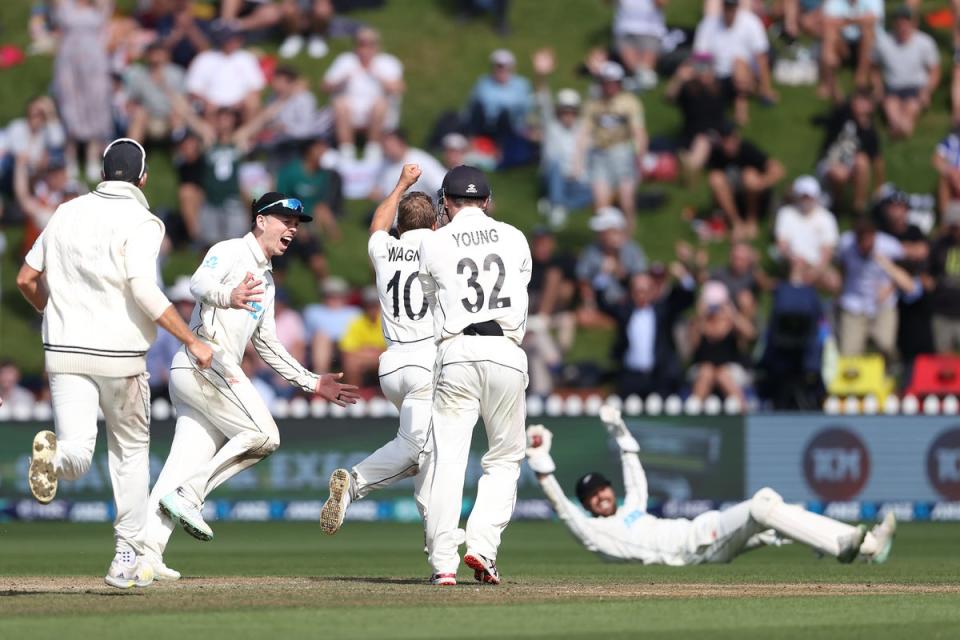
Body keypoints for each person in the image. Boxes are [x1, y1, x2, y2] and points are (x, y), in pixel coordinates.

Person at [16, 138, 214, 589]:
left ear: (103, 172)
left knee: (79, 451)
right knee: (128, 456)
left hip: (63, 351)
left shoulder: (65, 211)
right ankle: (126, 557)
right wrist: (191, 340)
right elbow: (143, 289)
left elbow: (26, 278)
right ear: (143, 178)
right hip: (120, 357)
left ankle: (56, 456)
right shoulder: (144, 221)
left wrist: (51, 312)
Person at [144, 192, 359, 579]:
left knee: (178, 469)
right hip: (205, 362)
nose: (292, 229)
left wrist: (312, 382)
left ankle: (142, 555)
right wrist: (229, 295)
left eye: (296, 224)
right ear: (260, 220)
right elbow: (198, 282)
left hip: (206, 373)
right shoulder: (230, 251)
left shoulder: (266, 279)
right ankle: (191, 496)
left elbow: (268, 345)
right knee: (264, 436)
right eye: (285, 221)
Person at [525, 408, 897, 565]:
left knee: (772, 512)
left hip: (702, 530)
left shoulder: (631, 508)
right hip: (694, 548)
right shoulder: (596, 532)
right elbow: (563, 510)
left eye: (602, 490)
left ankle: (866, 547)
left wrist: (619, 431)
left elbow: (635, 475)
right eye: (592, 497)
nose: (600, 497)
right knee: (763, 502)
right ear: (587, 506)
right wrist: (542, 465)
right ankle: (844, 547)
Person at [418, 165, 531, 586]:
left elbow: (431, 298)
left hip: (457, 351)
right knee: (503, 459)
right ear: (486, 201)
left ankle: (443, 564)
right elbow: (519, 286)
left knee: (448, 461)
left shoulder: (434, 240)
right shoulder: (515, 236)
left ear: (445, 202)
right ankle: (482, 547)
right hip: (505, 350)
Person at [320, 164, 436, 535]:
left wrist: (401, 183)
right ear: (433, 227)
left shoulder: (385, 249)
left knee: (428, 451)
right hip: (425, 363)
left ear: (400, 227)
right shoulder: (440, 248)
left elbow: (377, 225)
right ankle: (356, 483)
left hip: (391, 366)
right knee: (419, 450)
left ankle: (439, 545)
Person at [835, 217, 920, 358]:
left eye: (870, 241)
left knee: (885, 344)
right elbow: (840, 266)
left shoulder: (889, 245)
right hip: (854, 303)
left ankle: (890, 372)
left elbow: (907, 269)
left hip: (883, 304)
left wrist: (890, 286)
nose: (867, 245)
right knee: (849, 352)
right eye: (862, 242)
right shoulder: (845, 244)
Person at [604, 267, 695, 398]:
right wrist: (604, 275)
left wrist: (685, 277)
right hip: (630, 376)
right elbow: (603, 303)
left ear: (652, 292)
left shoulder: (662, 310)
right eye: (637, 291)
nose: (641, 294)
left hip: (658, 375)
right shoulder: (625, 311)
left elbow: (686, 299)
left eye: (645, 291)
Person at [575, 62, 647, 228]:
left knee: (626, 201)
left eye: (613, 82)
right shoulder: (593, 104)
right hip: (599, 154)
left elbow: (639, 132)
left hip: (622, 152)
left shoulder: (630, 103)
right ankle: (605, 242)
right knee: (601, 205)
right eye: (606, 82)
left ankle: (629, 239)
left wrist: (640, 157)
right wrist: (578, 161)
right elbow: (584, 133)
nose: (609, 86)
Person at [53, 0, 114, 183]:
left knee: (95, 104)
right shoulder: (65, 5)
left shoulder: (100, 6)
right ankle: (69, 157)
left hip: (94, 60)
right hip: (69, 60)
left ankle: (92, 156)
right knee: (69, 103)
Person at [322, 27, 404, 162]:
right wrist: (340, 82)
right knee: (340, 103)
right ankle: (346, 151)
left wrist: (379, 76)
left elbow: (399, 88)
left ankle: (373, 150)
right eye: (362, 44)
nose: (366, 49)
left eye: (370, 44)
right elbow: (325, 86)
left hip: (379, 114)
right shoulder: (345, 60)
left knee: (380, 104)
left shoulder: (388, 62)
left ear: (377, 45)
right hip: (350, 113)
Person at [532, 48, 591, 227]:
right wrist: (540, 75)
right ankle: (557, 206)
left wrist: (594, 75)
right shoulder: (551, 124)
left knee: (593, 191)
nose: (568, 114)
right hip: (551, 174)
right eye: (564, 110)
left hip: (574, 179)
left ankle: (556, 204)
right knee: (556, 164)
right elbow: (543, 98)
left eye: (572, 111)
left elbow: (594, 101)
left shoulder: (582, 128)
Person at [692, 0, 776, 125]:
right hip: (717, 75)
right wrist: (704, 75)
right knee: (690, 71)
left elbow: (761, 58)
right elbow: (700, 57)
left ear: (737, 6)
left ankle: (741, 107)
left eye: (732, 6)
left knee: (739, 66)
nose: (730, 10)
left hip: (745, 74)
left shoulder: (751, 22)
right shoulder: (708, 24)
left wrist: (766, 88)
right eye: (727, 6)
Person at [707, 122, 785, 239]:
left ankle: (751, 220)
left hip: (756, 197)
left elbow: (779, 170)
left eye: (731, 141)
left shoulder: (747, 149)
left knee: (750, 176)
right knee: (715, 179)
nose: (728, 146)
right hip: (735, 197)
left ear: (736, 138)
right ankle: (736, 223)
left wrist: (761, 183)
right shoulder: (717, 154)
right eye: (725, 142)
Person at [874, 6, 941, 140]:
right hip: (892, 87)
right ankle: (899, 129)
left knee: (910, 109)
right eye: (900, 23)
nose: (903, 27)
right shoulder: (883, 43)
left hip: (916, 88)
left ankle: (901, 131)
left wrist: (927, 90)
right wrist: (878, 87)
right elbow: (874, 67)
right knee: (891, 110)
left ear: (913, 24)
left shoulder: (925, 42)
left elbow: (934, 71)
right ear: (894, 24)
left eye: (906, 22)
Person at [816, 88, 883, 215]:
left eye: (864, 101)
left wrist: (879, 190)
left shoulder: (871, 132)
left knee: (862, 160)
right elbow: (837, 99)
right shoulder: (843, 115)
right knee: (839, 173)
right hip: (829, 162)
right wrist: (833, 79)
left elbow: (877, 160)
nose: (859, 104)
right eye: (857, 100)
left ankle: (858, 207)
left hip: (850, 167)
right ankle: (836, 203)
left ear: (871, 106)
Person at [688, 281, 755, 405]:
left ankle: (742, 409)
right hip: (703, 370)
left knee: (721, 373)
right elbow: (693, 346)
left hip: (730, 370)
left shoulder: (732, 322)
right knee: (707, 371)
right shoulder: (699, 323)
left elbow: (751, 334)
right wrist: (700, 317)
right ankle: (694, 410)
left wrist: (733, 315)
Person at [575, 207, 648, 316]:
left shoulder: (632, 250)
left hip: (628, 301)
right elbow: (582, 277)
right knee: (584, 315)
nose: (599, 234)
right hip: (601, 301)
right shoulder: (591, 250)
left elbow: (641, 279)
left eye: (603, 231)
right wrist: (589, 291)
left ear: (616, 231)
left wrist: (618, 266)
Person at [664, 53, 728, 176]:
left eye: (707, 67)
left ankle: (690, 170)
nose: (704, 72)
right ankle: (685, 166)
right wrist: (679, 78)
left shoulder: (722, 87)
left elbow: (742, 87)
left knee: (703, 140)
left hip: (715, 135)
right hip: (689, 136)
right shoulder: (689, 90)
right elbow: (669, 97)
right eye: (700, 68)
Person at [185, 23, 265, 119]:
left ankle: (248, 134)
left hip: (239, 104)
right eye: (229, 39)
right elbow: (193, 89)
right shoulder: (204, 58)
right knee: (209, 108)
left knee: (252, 103)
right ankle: (210, 134)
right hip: (211, 104)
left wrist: (240, 102)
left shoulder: (247, 58)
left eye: (236, 39)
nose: (233, 42)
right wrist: (208, 101)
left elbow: (256, 87)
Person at [774, 176, 840, 289]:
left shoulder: (827, 218)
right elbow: (782, 244)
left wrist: (816, 270)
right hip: (794, 261)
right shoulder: (786, 213)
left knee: (834, 281)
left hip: (817, 264)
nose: (807, 200)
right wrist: (793, 258)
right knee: (797, 272)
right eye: (804, 197)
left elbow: (827, 250)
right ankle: (796, 301)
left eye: (810, 197)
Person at [820, 0, 883, 102]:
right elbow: (827, 21)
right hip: (843, 42)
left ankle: (861, 76)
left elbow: (873, 19)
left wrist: (846, 20)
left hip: (865, 42)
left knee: (867, 32)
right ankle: (831, 82)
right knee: (829, 35)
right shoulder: (834, 2)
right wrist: (858, 20)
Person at [464, 49, 533, 141]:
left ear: (512, 68)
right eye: (498, 67)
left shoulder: (521, 85)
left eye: (505, 67)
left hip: (512, 128)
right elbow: (472, 106)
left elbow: (527, 109)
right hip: (485, 126)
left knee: (505, 115)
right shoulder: (483, 83)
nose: (502, 70)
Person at [124, 43, 187, 143]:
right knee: (140, 114)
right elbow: (131, 102)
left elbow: (183, 101)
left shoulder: (176, 73)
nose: (156, 58)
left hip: (172, 116)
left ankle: (180, 147)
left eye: (159, 54)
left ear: (166, 56)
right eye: (153, 54)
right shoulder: (139, 74)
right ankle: (132, 152)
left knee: (178, 112)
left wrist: (163, 84)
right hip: (149, 117)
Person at [145, 276, 195, 401]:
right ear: (177, 303)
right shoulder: (162, 331)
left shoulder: (198, 330)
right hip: (157, 390)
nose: (188, 307)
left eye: (191, 303)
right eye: (184, 302)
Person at [370, 130, 446, 201]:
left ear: (401, 143)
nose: (387, 150)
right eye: (385, 147)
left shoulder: (421, 161)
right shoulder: (384, 165)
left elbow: (441, 186)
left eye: (390, 146)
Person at [612, 0, 668, 90]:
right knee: (637, 68)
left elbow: (661, 3)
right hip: (625, 30)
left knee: (645, 68)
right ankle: (640, 83)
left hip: (651, 31)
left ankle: (638, 84)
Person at [338, 286, 387, 387]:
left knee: (391, 360)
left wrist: (366, 351)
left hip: (384, 358)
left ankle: (390, 397)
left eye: (375, 304)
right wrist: (373, 353)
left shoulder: (388, 322)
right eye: (369, 304)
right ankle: (355, 397)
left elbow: (392, 349)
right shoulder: (356, 321)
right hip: (368, 359)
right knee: (350, 362)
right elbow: (347, 351)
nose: (372, 307)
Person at [930, 203, 960, 353]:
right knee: (944, 361)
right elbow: (927, 271)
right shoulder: (939, 244)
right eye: (953, 226)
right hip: (943, 310)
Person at [934, 125, 960, 215]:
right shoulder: (950, 141)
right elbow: (937, 161)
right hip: (952, 179)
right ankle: (946, 218)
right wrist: (952, 172)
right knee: (944, 180)